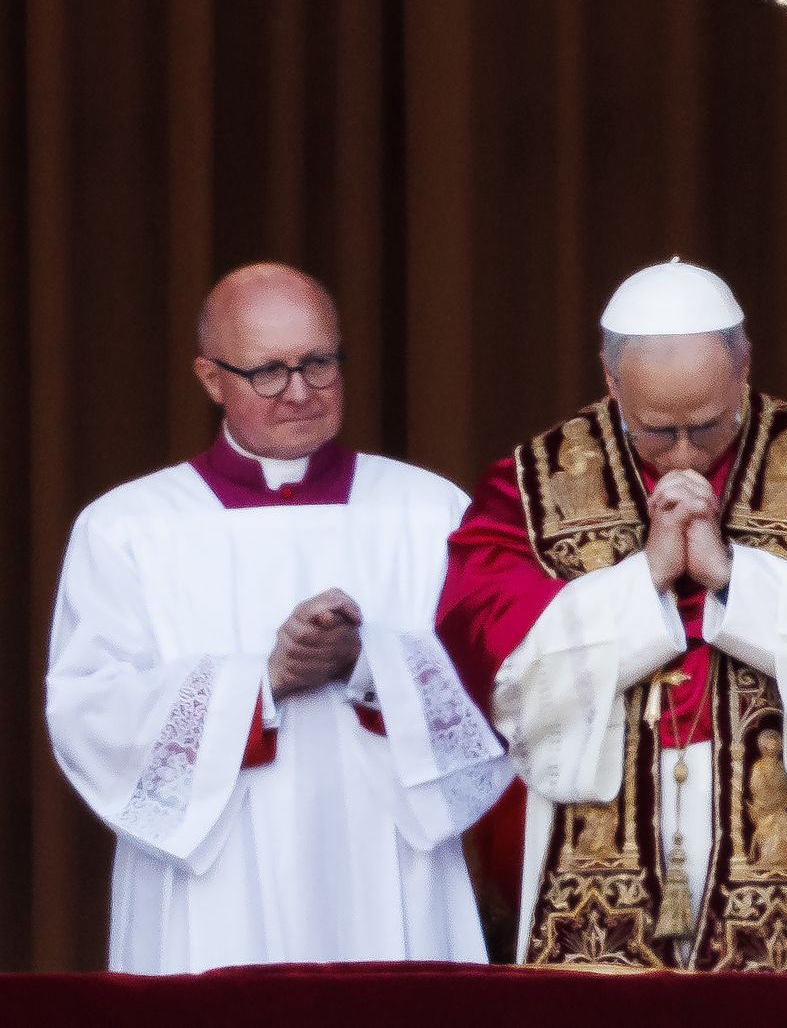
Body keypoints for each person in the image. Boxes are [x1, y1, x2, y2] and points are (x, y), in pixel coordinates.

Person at [438, 258, 787, 971]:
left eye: (705, 425)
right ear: (611, 381)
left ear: (744, 367)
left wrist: (732, 575)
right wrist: (645, 577)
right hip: (602, 821)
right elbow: (501, 659)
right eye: (654, 430)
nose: (683, 454)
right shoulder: (532, 482)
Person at [47, 262, 506, 973]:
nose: (300, 391)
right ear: (209, 377)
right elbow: (90, 713)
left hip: (386, 855)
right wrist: (260, 681)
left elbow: (498, 687)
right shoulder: (129, 527)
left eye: (319, 363)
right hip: (216, 873)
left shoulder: (426, 510)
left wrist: (369, 662)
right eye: (268, 371)